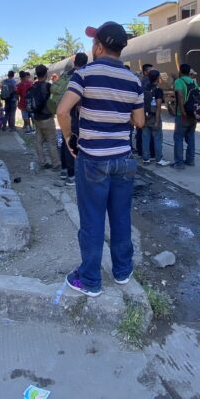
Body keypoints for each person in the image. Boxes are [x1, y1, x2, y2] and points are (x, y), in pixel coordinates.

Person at [56, 22, 143, 297]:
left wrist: (70, 139)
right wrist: (118, 113)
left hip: (92, 159)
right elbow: (140, 121)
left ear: (99, 46)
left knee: (92, 221)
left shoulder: (84, 74)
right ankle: (122, 271)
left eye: (94, 42)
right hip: (123, 160)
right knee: (121, 217)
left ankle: (90, 280)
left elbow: (62, 112)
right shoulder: (133, 79)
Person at [57, 53, 88, 186]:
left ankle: (64, 170)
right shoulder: (80, 75)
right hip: (73, 113)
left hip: (63, 111)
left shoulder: (66, 74)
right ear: (86, 62)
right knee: (73, 141)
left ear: (75, 62)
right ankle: (71, 175)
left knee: (66, 139)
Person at [29, 65, 60, 168]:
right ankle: (56, 164)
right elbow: (55, 97)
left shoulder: (33, 86)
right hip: (47, 118)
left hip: (36, 118)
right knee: (51, 142)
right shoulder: (47, 86)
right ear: (46, 74)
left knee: (38, 141)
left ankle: (42, 162)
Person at [141, 69, 170, 166]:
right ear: (158, 78)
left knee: (145, 139)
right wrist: (157, 121)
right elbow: (158, 107)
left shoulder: (144, 88)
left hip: (145, 116)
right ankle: (159, 159)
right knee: (157, 139)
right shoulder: (158, 90)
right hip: (154, 117)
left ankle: (146, 159)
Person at [172, 63, 198, 170]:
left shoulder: (179, 81)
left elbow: (180, 95)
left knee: (178, 138)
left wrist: (182, 111)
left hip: (182, 115)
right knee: (191, 137)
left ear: (180, 71)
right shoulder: (193, 82)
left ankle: (179, 163)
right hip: (193, 114)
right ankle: (190, 160)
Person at [135, 63, 155, 155]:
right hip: (146, 111)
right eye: (151, 70)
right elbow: (147, 99)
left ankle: (140, 151)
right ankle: (150, 152)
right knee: (148, 133)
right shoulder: (148, 83)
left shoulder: (140, 82)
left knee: (140, 131)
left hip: (140, 110)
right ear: (145, 72)